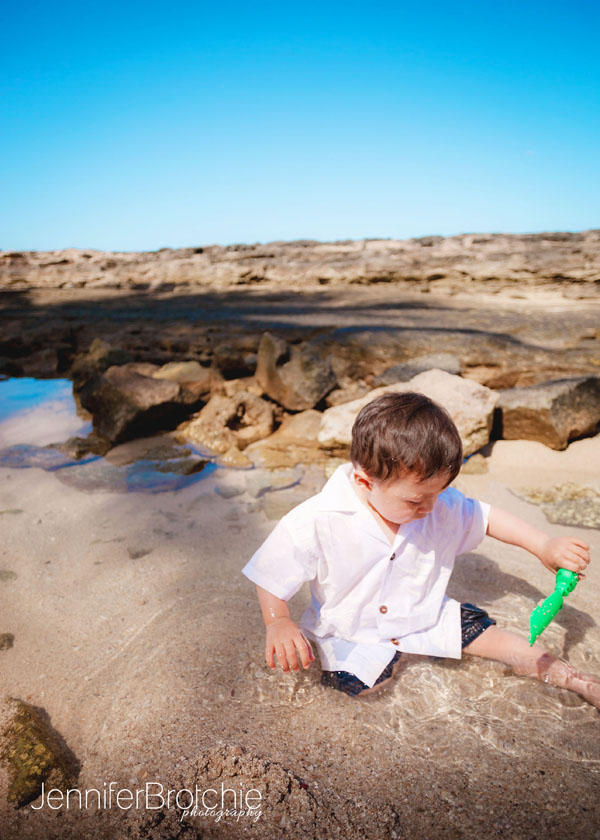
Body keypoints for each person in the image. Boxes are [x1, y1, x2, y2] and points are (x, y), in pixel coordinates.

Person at [241, 392, 599, 706]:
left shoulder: (435, 503)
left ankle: (577, 680)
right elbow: (273, 572)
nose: (430, 507)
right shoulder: (318, 519)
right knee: (360, 691)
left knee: (506, 643)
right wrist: (279, 622)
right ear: (366, 481)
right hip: (353, 630)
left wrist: (544, 546)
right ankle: (394, 660)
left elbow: (486, 518)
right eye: (416, 500)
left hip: (425, 615)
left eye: (438, 494)